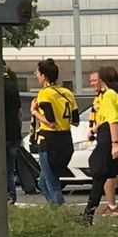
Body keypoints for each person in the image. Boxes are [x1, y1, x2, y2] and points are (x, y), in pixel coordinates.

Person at [31, 58, 77, 206]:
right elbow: (75, 120)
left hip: (49, 142)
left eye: (37, 73)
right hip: (66, 140)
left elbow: (50, 121)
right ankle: (54, 214)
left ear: (44, 76)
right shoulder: (67, 92)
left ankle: (61, 215)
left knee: (52, 183)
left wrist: (34, 111)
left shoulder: (45, 93)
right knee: (43, 183)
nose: (36, 76)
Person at [83, 66, 118, 223]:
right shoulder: (106, 96)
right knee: (102, 175)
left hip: (108, 138)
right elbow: (106, 118)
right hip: (104, 134)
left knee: (99, 173)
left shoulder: (109, 94)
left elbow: (113, 120)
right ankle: (88, 214)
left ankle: (88, 215)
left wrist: (115, 144)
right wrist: (95, 128)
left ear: (102, 79)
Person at [3, 69, 22, 205]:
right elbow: (19, 112)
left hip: (1, 133)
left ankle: (4, 197)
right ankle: (11, 197)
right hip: (14, 132)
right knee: (9, 169)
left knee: (0, 168)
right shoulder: (13, 86)